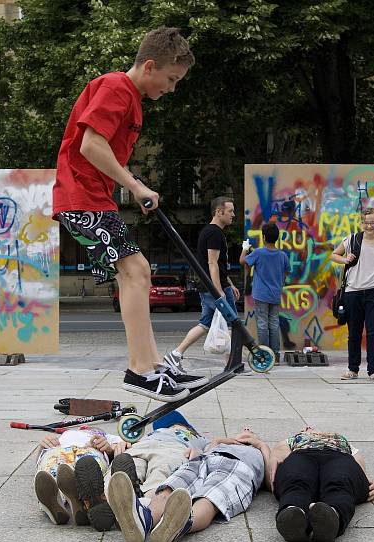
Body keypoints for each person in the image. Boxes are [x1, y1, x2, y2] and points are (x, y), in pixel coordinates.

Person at [52, 27, 197, 402]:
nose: (172, 88)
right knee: (134, 272)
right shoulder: (117, 87)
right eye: (171, 79)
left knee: (140, 271)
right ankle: (140, 371)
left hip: (94, 198)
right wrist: (135, 186)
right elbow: (90, 145)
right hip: (81, 198)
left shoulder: (130, 98)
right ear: (149, 66)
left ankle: (152, 365)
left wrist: (131, 186)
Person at [107, 426, 271, 542]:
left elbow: (271, 476)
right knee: (170, 487)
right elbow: (204, 448)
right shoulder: (220, 443)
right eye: (244, 429)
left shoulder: (258, 451)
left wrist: (261, 444)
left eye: (251, 431)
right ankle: (143, 519)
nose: (246, 429)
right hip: (204, 460)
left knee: (210, 497)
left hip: (237, 467)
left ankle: (182, 522)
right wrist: (218, 441)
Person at [162, 197, 239, 377]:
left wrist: (230, 283)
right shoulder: (214, 233)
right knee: (233, 323)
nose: (233, 215)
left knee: (205, 324)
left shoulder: (210, 232)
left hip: (209, 287)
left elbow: (217, 265)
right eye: (230, 211)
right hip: (214, 289)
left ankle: (175, 354)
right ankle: (233, 364)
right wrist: (219, 290)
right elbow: (212, 263)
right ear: (219, 212)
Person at [269, 426, 374, 542]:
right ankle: (292, 516)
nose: (308, 426)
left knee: (340, 480)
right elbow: (280, 453)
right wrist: (281, 472)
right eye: (305, 428)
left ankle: (332, 517)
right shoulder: (295, 439)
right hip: (303, 454)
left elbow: (358, 464)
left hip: (339, 456)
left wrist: (364, 482)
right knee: (296, 478)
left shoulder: (342, 440)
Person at [330, 207, 374, 382]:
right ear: (361, 223)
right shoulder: (352, 240)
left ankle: (373, 371)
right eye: (366, 222)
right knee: (354, 333)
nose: (369, 226)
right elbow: (334, 255)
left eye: (372, 222)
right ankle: (352, 369)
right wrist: (345, 259)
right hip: (353, 292)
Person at [33, 426, 125, 531]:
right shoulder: (63, 435)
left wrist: (108, 449)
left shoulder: (108, 436)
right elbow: (39, 458)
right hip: (60, 450)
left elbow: (123, 449)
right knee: (55, 470)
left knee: (87, 468)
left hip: (89, 450)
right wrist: (42, 447)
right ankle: (70, 502)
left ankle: (64, 501)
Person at [240, 222, 289, 360]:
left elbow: (242, 261)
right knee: (274, 323)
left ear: (264, 237)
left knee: (262, 324)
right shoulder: (282, 255)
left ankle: (264, 354)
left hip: (261, 294)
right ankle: (276, 355)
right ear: (277, 237)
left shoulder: (258, 253)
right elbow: (286, 273)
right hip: (275, 294)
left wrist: (245, 248)